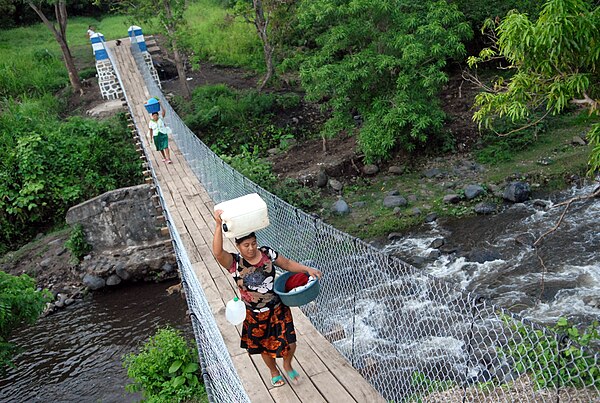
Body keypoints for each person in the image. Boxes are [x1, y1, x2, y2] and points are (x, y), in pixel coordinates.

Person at [212, 210, 322, 387]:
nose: (250, 248)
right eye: (246, 245)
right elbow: (217, 253)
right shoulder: (234, 263)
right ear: (238, 246)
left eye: (253, 243)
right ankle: (274, 371)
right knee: (265, 348)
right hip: (255, 314)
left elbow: (286, 264)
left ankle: (287, 364)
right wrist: (218, 225)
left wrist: (306, 269)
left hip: (278, 308)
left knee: (291, 342)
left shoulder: (267, 253)